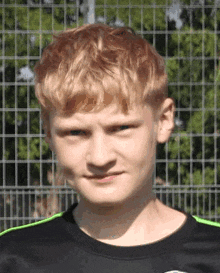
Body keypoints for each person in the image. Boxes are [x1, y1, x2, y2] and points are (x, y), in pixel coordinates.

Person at [0, 23, 220, 273]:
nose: (100, 157)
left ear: (164, 121)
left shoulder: (214, 253)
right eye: (76, 132)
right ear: (49, 133)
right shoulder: (13, 257)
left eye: (121, 128)